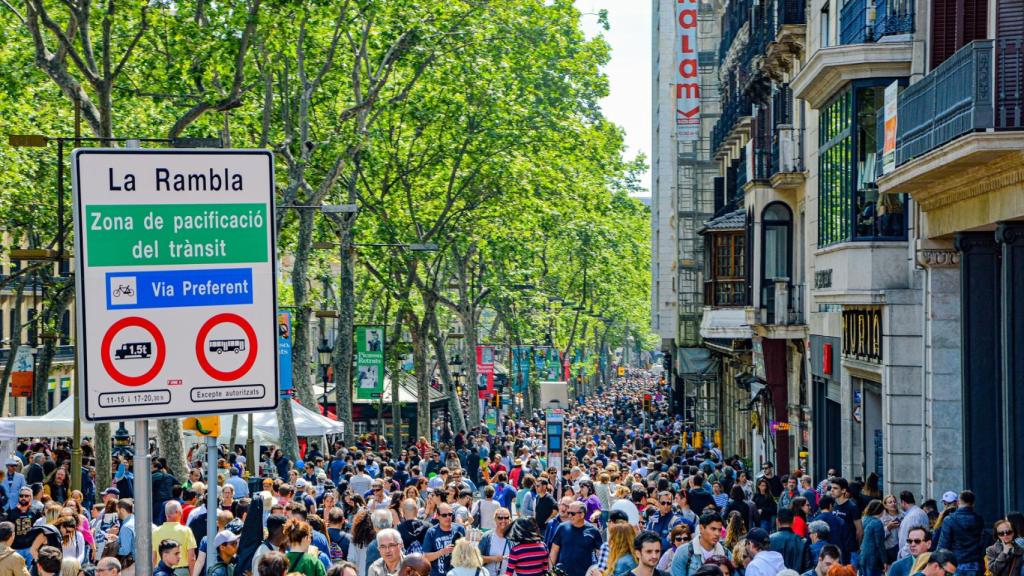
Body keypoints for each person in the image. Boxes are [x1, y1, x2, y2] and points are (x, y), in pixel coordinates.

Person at [935, 491, 983, 576]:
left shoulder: (949, 520)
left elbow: (943, 545)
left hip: (956, 563)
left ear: (958, 502)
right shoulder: (979, 520)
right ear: (973, 504)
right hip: (976, 564)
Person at [549, 501, 603, 576]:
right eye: (568, 513)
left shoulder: (593, 530)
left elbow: (600, 553)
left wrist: (598, 571)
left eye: (572, 514)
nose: (569, 516)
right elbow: (554, 550)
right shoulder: (562, 527)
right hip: (563, 573)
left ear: (582, 514)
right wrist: (551, 571)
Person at [152, 501, 196, 576]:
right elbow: (191, 558)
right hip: (182, 572)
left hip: (162, 571)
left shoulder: (155, 531)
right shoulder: (186, 531)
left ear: (166, 514)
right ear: (178, 512)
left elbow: (153, 558)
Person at [422, 503, 465, 576]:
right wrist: (442, 552)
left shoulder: (460, 529)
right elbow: (425, 557)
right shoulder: (431, 532)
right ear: (438, 516)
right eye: (444, 515)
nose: (448, 517)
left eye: (450, 514)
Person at [769, 509, 811, 573]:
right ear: (794, 521)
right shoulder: (802, 541)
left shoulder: (769, 540)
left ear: (777, 521)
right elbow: (807, 568)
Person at [897, 492, 930, 560]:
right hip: (919, 553)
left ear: (903, 502)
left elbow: (910, 539)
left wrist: (903, 554)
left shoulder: (912, 516)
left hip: (911, 555)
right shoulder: (921, 512)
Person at [859, 500, 888, 576]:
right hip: (873, 558)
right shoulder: (877, 523)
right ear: (881, 511)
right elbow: (880, 544)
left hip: (862, 555)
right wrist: (884, 561)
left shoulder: (864, 519)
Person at [478, 509, 511, 576]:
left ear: (509, 519)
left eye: (506, 518)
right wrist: (494, 558)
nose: (503, 520)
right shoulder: (487, 537)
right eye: (500, 518)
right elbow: (477, 558)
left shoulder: (514, 537)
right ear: (495, 519)